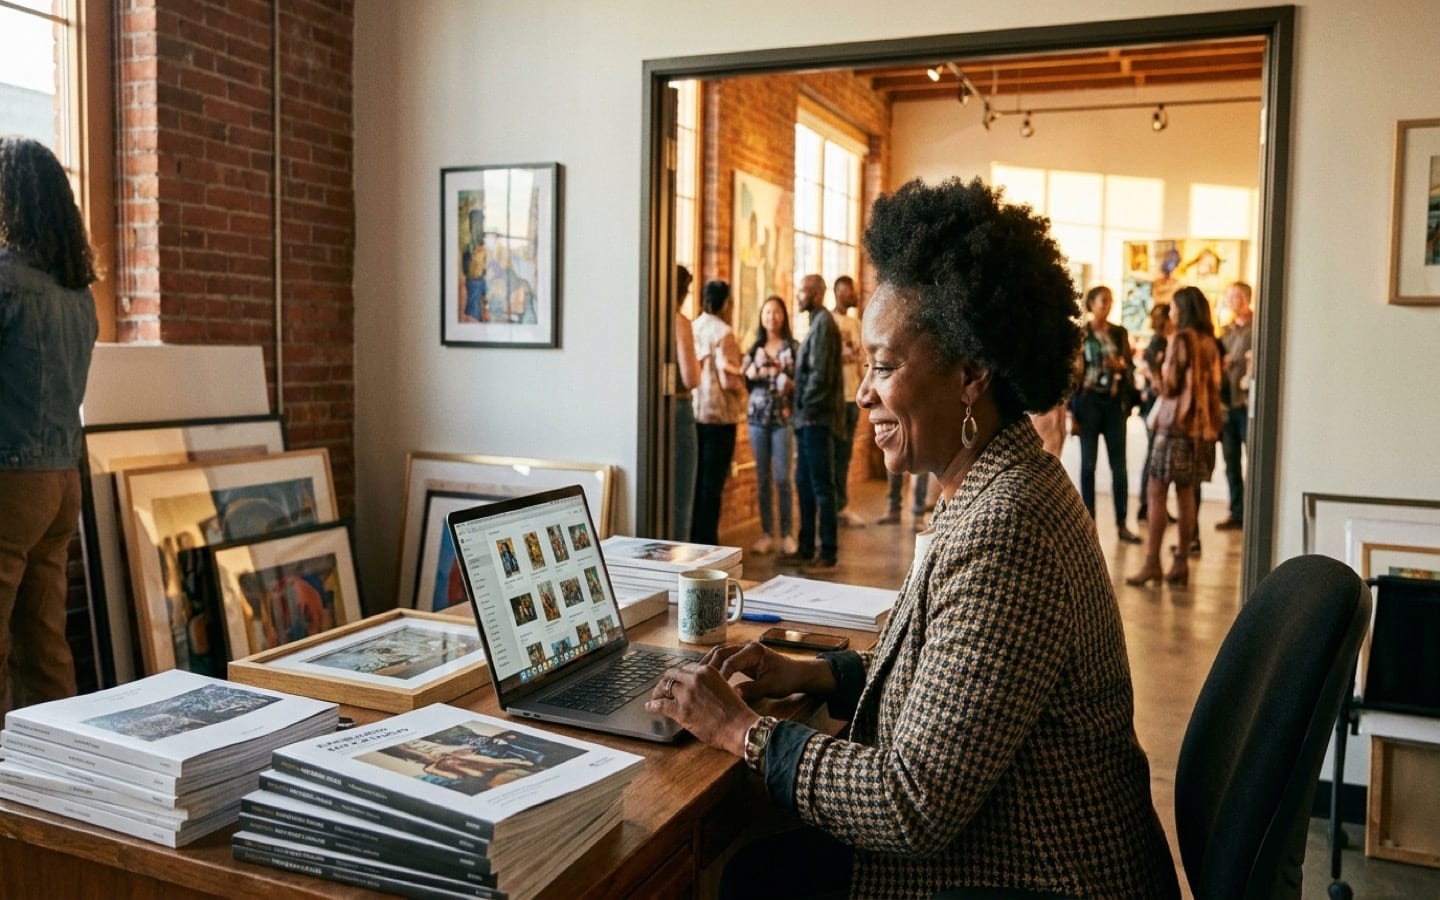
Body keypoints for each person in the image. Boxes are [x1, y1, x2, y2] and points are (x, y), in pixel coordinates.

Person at [648, 178, 1178, 899]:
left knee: (746, 876)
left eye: (884, 365)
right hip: (1006, 849)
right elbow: (947, 683)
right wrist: (807, 672)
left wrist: (738, 729)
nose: (863, 392)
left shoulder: (1007, 530)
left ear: (971, 375)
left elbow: (908, 804)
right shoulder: (999, 482)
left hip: (1041, 877)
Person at [0, 136, 100, 715]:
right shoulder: (77, 293)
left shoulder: (8, 280)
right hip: (62, 483)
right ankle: (61, 770)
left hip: (12, 480)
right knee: (45, 642)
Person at [1127, 287, 1222, 588]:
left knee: (1156, 491)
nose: (1171, 313)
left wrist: (1153, 371)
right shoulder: (1209, 342)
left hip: (1173, 429)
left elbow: (1169, 387)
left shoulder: (1181, 339)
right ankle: (1181, 562)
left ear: (1183, 309)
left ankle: (1152, 561)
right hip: (1199, 431)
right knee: (1186, 493)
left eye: (1173, 307)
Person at [779, 274, 844, 572]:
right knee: (803, 483)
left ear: (817, 294)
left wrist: (804, 405)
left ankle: (827, 552)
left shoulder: (824, 325)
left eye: (803, 291)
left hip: (817, 418)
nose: (798, 296)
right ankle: (806, 547)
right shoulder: (816, 323)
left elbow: (820, 376)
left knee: (821, 486)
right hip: (807, 418)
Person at [1072, 285, 1142, 544]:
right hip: (1088, 402)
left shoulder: (1118, 333)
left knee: (1119, 466)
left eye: (1110, 301)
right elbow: (1075, 371)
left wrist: (1122, 365)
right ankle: (1089, 523)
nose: (1107, 305)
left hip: (1114, 404)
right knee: (1088, 465)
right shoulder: (1082, 333)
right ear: (1091, 303)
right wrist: (1072, 411)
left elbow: (1130, 365)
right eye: (1102, 300)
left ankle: (1122, 523)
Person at [742, 295, 798, 556]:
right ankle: (767, 533)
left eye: (776, 312)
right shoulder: (754, 349)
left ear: (784, 316)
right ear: (761, 317)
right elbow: (746, 382)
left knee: (783, 478)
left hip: (783, 418)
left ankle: (787, 534)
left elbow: (801, 382)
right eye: (767, 313)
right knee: (762, 477)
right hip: (757, 419)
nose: (771, 317)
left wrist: (789, 385)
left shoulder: (793, 347)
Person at [690, 279, 744, 545]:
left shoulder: (692, 327)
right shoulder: (724, 333)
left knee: (696, 483)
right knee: (713, 486)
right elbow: (728, 379)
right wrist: (744, 381)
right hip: (720, 416)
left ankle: (692, 540)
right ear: (724, 303)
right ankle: (707, 543)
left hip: (694, 415)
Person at [1215, 281, 1253, 531]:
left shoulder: (1257, 328)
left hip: (1248, 404)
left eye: (1237, 296)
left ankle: (1252, 512)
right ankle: (1236, 511)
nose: (1233, 300)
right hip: (1227, 404)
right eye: (1229, 296)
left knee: (1254, 460)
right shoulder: (1226, 332)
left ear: (1247, 298)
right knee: (1231, 462)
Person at [830, 275, 866, 528]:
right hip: (833, 399)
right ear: (838, 292)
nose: (853, 294)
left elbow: (862, 359)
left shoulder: (856, 323)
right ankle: (829, 506)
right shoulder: (828, 321)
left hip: (852, 397)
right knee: (831, 454)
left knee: (845, 454)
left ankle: (841, 506)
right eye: (848, 290)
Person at [670, 265, 701, 541]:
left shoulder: (645, 318)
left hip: (651, 414)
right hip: (678, 412)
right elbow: (691, 377)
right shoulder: (680, 322)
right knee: (681, 500)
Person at [1135, 302, 1173, 524]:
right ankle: (1145, 504)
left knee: (1153, 455)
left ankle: (1151, 505)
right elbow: (1151, 371)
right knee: (1153, 455)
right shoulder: (1159, 341)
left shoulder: (1161, 340)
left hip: (1154, 404)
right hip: (1155, 406)